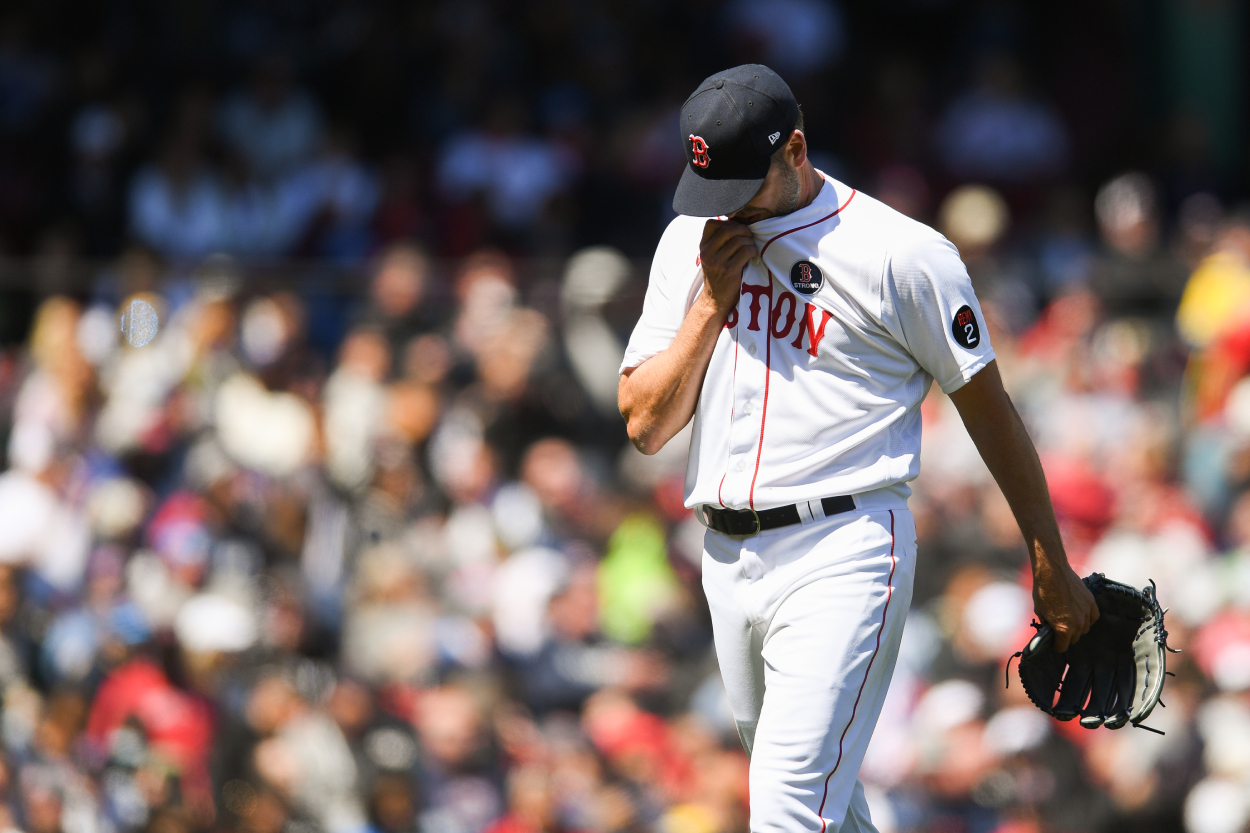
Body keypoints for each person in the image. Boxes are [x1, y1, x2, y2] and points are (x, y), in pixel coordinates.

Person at [616, 64, 1098, 832]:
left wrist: (1048, 555)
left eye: (743, 180)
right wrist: (709, 304)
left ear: (796, 148)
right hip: (725, 555)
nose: (727, 204)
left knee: (785, 809)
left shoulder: (902, 254)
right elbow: (645, 424)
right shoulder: (692, 240)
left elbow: (991, 411)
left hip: (843, 545)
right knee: (827, 812)